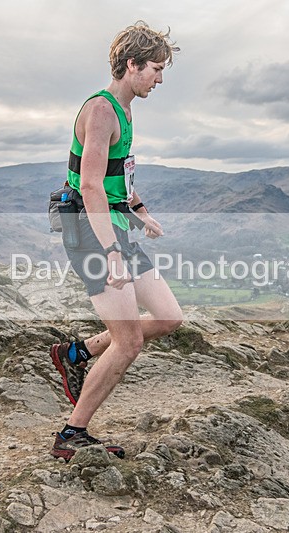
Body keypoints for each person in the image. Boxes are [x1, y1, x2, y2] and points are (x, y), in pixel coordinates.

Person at [50, 21, 183, 461]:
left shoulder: (125, 110)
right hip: (91, 232)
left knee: (168, 317)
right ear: (133, 64)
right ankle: (72, 433)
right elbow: (90, 187)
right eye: (157, 69)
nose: (160, 79)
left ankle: (78, 352)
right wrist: (111, 253)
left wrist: (140, 212)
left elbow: (115, 177)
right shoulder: (102, 110)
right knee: (128, 341)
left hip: (115, 228)